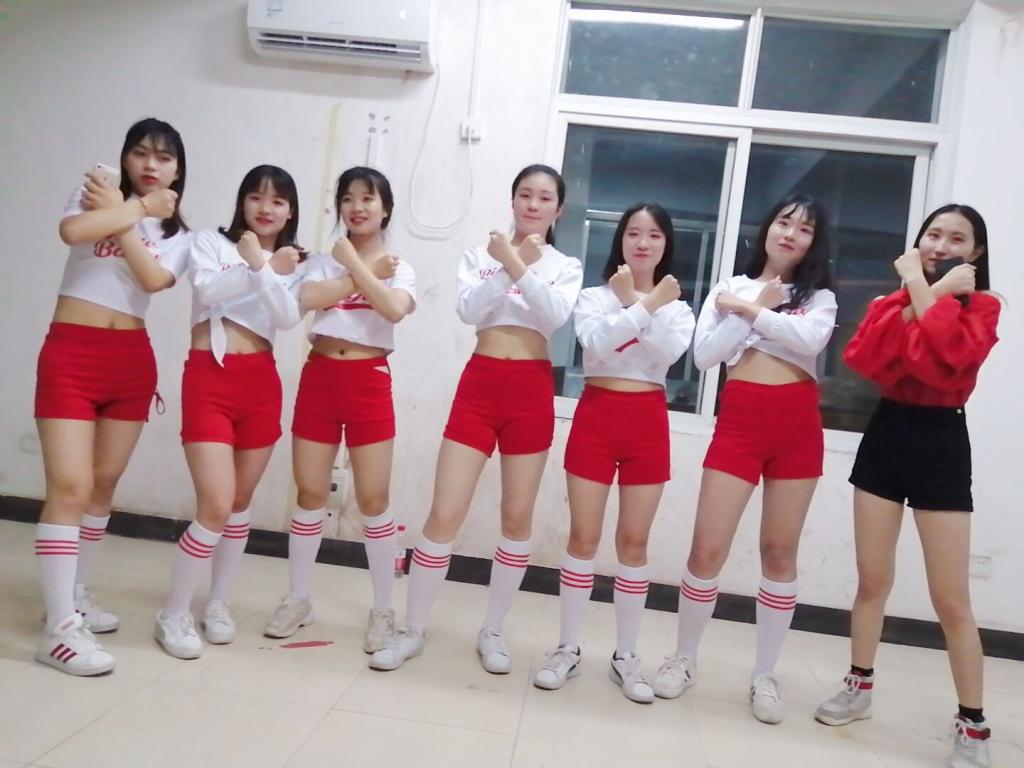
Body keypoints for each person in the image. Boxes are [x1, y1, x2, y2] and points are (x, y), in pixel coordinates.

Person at [815, 204, 1000, 768]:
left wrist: (922, 291)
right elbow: (865, 357)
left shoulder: (985, 307)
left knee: (951, 599)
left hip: (942, 442)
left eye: (956, 238)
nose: (941, 245)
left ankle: (973, 725)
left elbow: (948, 357)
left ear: (976, 253)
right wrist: (929, 293)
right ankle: (859, 686)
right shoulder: (890, 302)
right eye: (932, 234)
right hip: (888, 433)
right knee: (872, 580)